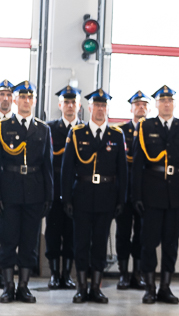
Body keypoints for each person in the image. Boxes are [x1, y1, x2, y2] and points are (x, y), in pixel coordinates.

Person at [132, 85, 179, 304]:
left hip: (176, 195)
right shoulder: (145, 127)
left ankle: (165, 288)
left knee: (171, 243)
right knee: (148, 243)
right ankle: (149, 287)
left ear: (174, 104)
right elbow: (138, 164)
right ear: (157, 104)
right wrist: (137, 196)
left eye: (170, 100)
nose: (166, 104)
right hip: (151, 193)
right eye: (162, 100)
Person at [61, 89, 126, 304]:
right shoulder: (77, 133)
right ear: (89, 108)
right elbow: (67, 169)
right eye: (96, 105)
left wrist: (120, 200)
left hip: (106, 197)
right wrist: (67, 198)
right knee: (81, 243)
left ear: (107, 109)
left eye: (103, 106)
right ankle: (81, 287)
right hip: (82, 195)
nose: (100, 109)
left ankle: (96, 288)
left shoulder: (116, 135)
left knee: (99, 243)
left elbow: (122, 171)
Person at [0, 81, 53, 303]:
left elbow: (47, 166)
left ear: (35, 101)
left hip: (34, 191)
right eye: (22, 97)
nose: (26, 101)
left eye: (30, 98)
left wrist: (49, 196)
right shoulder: (3, 127)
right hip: (9, 190)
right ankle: (8, 287)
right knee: (8, 239)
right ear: (15, 100)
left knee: (30, 241)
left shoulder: (43, 129)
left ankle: (23, 286)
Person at [45, 85, 82, 290]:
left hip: (76, 190)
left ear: (79, 106)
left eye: (73, 102)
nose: (70, 106)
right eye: (66, 102)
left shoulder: (83, 130)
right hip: (55, 188)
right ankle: (54, 274)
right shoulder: (50, 129)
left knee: (71, 233)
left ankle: (67, 275)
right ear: (60, 105)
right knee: (52, 232)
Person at [115, 90, 148, 290]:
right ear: (131, 108)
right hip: (125, 191)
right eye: (137, 104)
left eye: (144, 104)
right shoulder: (120, 131)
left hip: (145, 191)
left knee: (142, 234)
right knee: (123, 233)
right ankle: (123, 273)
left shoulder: (152, 129)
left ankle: (138, 273)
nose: (141, 107)